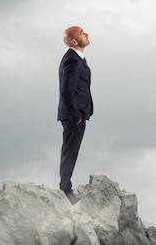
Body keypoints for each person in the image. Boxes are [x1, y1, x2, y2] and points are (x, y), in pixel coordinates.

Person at [57, 26, 93, 198]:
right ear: (74, 41)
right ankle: (65, 189)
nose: (86, 34)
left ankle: (66, 186)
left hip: (77, 114)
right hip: (73, 116)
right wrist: (76, 117)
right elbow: (66, 91)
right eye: (82, 33)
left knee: (71, 150)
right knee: (70, 151)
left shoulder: (78, 59)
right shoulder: (72, 60)